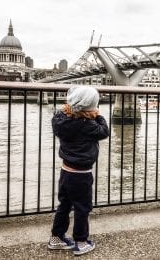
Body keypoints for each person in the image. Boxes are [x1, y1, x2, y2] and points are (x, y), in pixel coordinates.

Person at [48, 86, 109, 256]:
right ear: (90, 105)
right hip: (81, 174)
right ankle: (81, 242)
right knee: (83, 208)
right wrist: (98, 114)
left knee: (64, 205)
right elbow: (104, 131)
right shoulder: (88, 124)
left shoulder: (60, 118)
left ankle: (56, 238)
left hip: (66, 170)